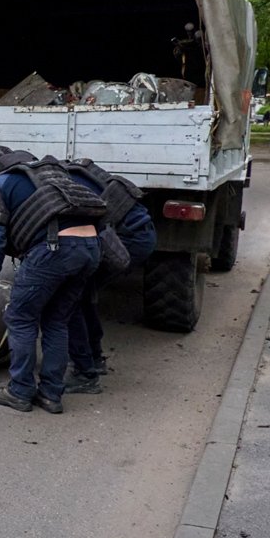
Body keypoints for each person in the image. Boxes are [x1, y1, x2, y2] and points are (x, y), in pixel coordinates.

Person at [0, 146, 104, 414]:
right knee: (56, 320)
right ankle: (50, 394)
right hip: (90, 248)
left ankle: (20, 391)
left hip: (54, 248)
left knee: (21, 318)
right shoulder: (52, 174)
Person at [63, 159, 157, 392]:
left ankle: (85, 373)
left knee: (68, 300)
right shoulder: (70, 172)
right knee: (83, 294)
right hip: (139, 232)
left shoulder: (54, 184)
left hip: (126, 238)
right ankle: (94, 358)